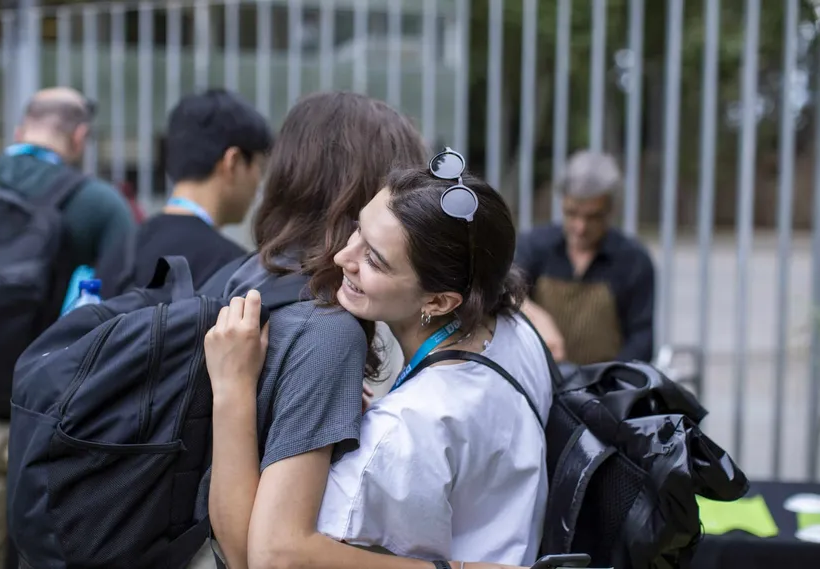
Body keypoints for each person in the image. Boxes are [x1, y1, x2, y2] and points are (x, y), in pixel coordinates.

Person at [204, 149, 553, 567]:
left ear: (440, 300)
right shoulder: (518, 331)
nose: (342, 257)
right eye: (358, 231)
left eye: (374, 260)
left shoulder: (407, 429)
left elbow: (273, 557)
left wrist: (232, 390)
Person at [0, 87, 134, 569]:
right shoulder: (98, 204)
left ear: (20, 130)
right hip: (47, 421)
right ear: (79, 137)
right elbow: (124, 311)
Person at [96, 89, 273, 297]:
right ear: (233, 162)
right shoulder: (233, 268)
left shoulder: (122, 249)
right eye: (260, 168)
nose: (258, 183)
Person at [516, 150, 655, 365]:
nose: (580, 227)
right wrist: (535, 316)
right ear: (562, 203)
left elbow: (641, 339)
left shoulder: (633, 260)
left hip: (606, 387)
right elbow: (503, 293)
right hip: (541, 377)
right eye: (572, 213)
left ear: (611, 210)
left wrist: (611, 384)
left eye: (593, 217)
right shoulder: (534, 247)